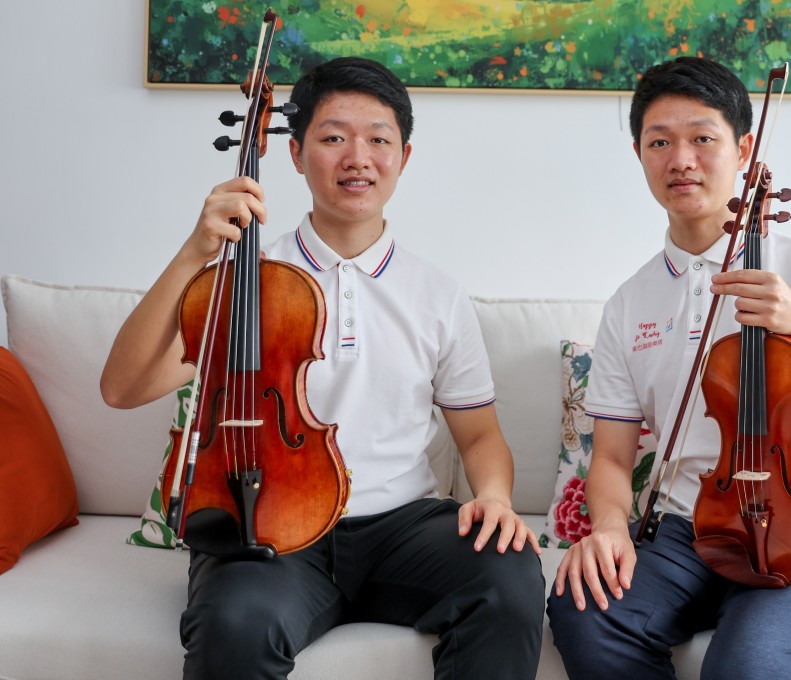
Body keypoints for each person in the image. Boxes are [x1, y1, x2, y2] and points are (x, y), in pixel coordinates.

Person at [100, 57, 544, 680]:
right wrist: (195, 252)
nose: (357, 157)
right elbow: (122, 388)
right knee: (233, 624)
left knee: (511, 576)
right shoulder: (245, 281)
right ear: (295, 154)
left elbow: (478, 435)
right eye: (333, 137)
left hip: (405, 528)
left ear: (404, 158)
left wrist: (494, 497)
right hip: (271, 525)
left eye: (378, 140)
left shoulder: (437, 292)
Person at [545, 57, 791, 679]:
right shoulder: (631, 301)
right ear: (640, 154)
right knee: (583, 610)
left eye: (703, 138)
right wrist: (607, 528)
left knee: (750, 663)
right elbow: (614, 457)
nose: (682, 159)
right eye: (660, 142)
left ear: (744, 148)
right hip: (690, 526)